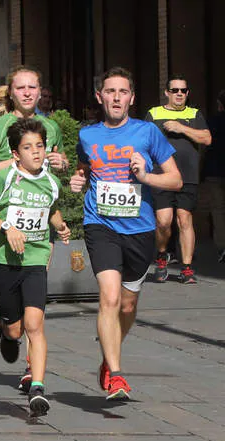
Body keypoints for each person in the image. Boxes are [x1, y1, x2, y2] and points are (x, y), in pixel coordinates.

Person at [70, 67, 181, 401]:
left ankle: (109, 355)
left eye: (122, 92)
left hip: (140, 228)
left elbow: (175, 179)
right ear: (99, 96)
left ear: (131, 98)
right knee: (110, 297)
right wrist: (78, 182)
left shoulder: (147, 133)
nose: (116, 98)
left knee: (128, 305)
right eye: (110, 91)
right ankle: (117, 376)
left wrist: (145, 177)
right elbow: (84, 171)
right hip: (100, 224)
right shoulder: (88, 135)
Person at [0, 65, 68, 391]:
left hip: (39, 228)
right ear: (11, 92)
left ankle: (32, 373)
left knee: (35, 313)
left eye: (33, 87)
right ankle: (7, 325)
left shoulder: (50, 127)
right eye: (21, 88)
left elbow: (54, 165)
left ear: (40, 92)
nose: (27, 93)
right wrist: (12, 166)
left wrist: (60, 163)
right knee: (16, 321)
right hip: (2, 226)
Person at [145, 75, 212, 284]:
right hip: (161, 175)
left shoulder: (194, 114)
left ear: (187, 93)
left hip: (188, 176)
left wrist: (181, 128)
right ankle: (162, 256)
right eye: (175, 90)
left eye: (183, 91)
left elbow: (207, 139)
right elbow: (144, 141)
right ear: (167, 93)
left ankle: (187, 268)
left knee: (185, 219)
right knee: (164, 222)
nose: (179, 94)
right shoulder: (154, 114)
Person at [198, 90, 225, 262]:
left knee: (218, 210)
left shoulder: (212, 122)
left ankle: (223, 248)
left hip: (215, 171)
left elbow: (204, 147)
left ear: (219, 104)